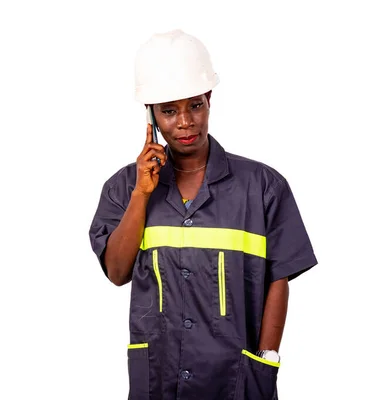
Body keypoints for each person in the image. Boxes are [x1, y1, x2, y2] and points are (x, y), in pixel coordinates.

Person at [89, 29, 318, 400]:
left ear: (209, 99)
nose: (184, 122)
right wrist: (142, 193)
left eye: (194, 105)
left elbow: (279, 278)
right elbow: (117, 272)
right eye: (168, 110)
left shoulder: (262, 186)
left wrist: (268, 359)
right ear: (150, 114)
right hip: (158, 381)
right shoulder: (123, 189)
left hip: (236, 379)